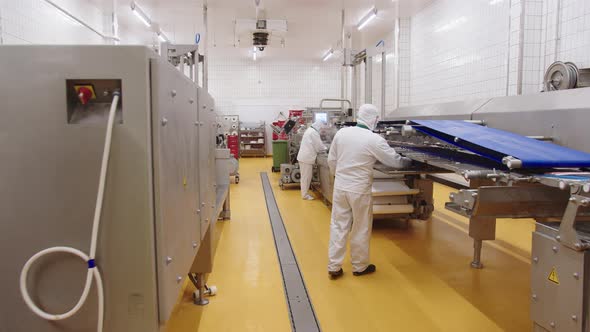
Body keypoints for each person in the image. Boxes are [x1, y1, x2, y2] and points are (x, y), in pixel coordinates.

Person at [327, 104, 412, 279]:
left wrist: (339, 176)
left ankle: (334, 267)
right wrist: (410, 161)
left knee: (338, 225)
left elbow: (331, 160)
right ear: (373, 119)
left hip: (341, 187)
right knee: (361, 227)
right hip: (359, 190)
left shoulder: (342, 133)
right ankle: (360, 266)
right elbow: (394, 161)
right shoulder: (373, 139)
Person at [297, 120, 327, 200]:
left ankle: (304, 193)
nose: (322, 131)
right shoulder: (313, 132)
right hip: (306, 158)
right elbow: (319, 146)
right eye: (322, 129)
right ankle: (305, 195)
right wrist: (326, 148)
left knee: (305, 177)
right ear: (319, 127)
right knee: (306, 177)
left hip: (305, 157)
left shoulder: (310, 130)